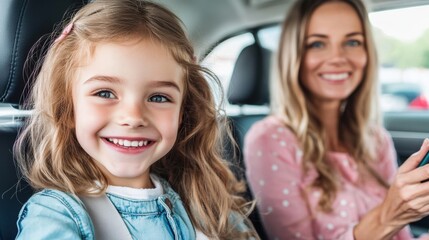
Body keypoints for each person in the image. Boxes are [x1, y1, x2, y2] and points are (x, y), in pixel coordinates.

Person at [14, 0, 258, 239]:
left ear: (183, 112)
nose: (133, 117)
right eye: (105, 93)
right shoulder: (57, 215)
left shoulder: (206, 204)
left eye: (159, 97)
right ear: (68, 109)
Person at [244, 0, 429, 239]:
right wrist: (389, 215)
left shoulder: (375, 139)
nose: (338, 57)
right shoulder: (270, 139)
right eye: (318, 44)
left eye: (352, 42)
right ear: (294, 56)